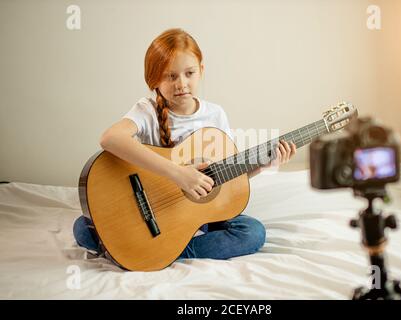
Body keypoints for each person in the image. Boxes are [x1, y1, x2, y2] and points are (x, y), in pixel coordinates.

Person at [73, 28, 297, 262]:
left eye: (189, 73)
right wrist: (179, 174)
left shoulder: (215, 114)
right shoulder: (147, 110)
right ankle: (155, 247)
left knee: (253, 233)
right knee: (84, 228)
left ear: (201, 71)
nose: (181, 83)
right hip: (159, 212)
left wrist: (262, 165)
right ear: (154, 80)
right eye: (171, 76)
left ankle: (168, 251)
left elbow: (224, 178)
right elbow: (109, 138)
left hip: (197, 214)